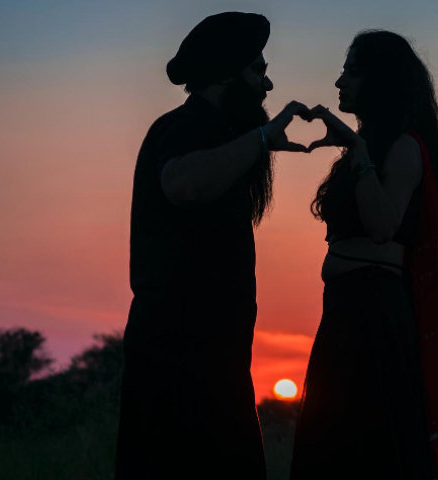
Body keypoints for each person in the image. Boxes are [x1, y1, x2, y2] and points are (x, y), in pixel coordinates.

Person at [115, 12, 310, 480]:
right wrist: (262, 137)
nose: (267, 85)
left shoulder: (221, 134)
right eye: (257, 70)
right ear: (228, 74)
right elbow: (183, 184)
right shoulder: (187, 126)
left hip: (212, 355)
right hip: (179, 358)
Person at [290, 30, 438, 480]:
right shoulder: (359, 152)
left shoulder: (403, 147)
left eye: (352, 71)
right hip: (344, 310)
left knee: (367, 447)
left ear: (380, 81)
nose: (339, 82)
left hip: (376, 316)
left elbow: (383, 227)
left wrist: (360, 151)